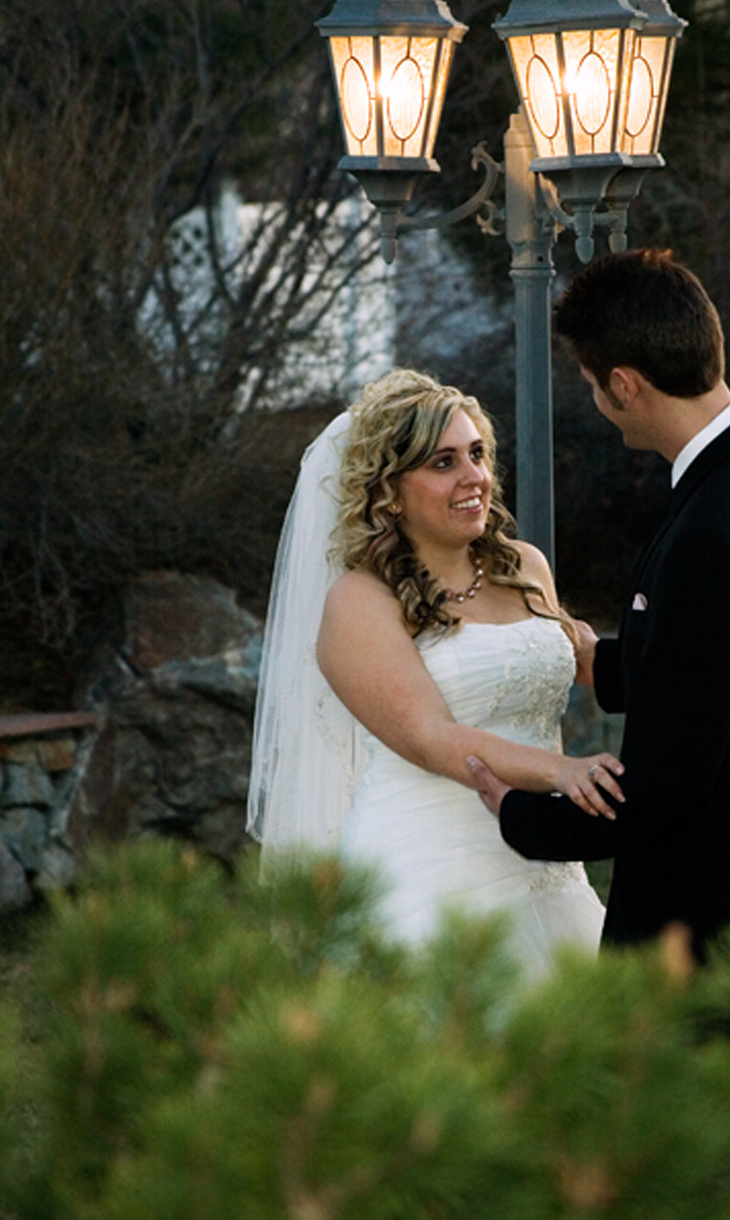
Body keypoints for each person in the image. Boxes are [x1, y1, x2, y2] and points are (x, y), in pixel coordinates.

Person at [468, 249, 730, 961]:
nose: (594, 400)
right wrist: (603, 665)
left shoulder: (716, 529)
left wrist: (521, 816)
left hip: (712, 928)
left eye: (591, 384)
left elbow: (667, 789)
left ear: (625, 384)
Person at [247, 368, 618, 976]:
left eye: (476, 453)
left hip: (539, 860)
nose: (474, 477)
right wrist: (563, 772)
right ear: (389, 490)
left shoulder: (526, 567)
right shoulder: (359, 601)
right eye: (443, 463)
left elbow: (555, 687)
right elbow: (430, 737)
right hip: (428, 865)